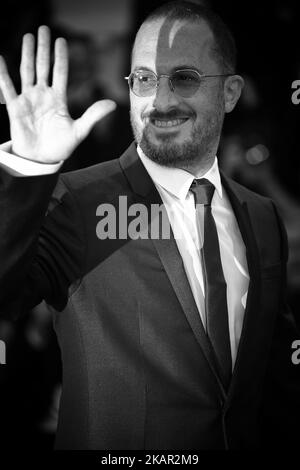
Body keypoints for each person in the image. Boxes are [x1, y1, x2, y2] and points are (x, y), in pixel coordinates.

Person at [0, 1, 299, 450]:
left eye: (184, 78)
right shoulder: (78, 201)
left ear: (231, 92)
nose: (160, 101)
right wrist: (29, 169)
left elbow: (272, 380)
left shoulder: (261, 216)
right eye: (143, 79)